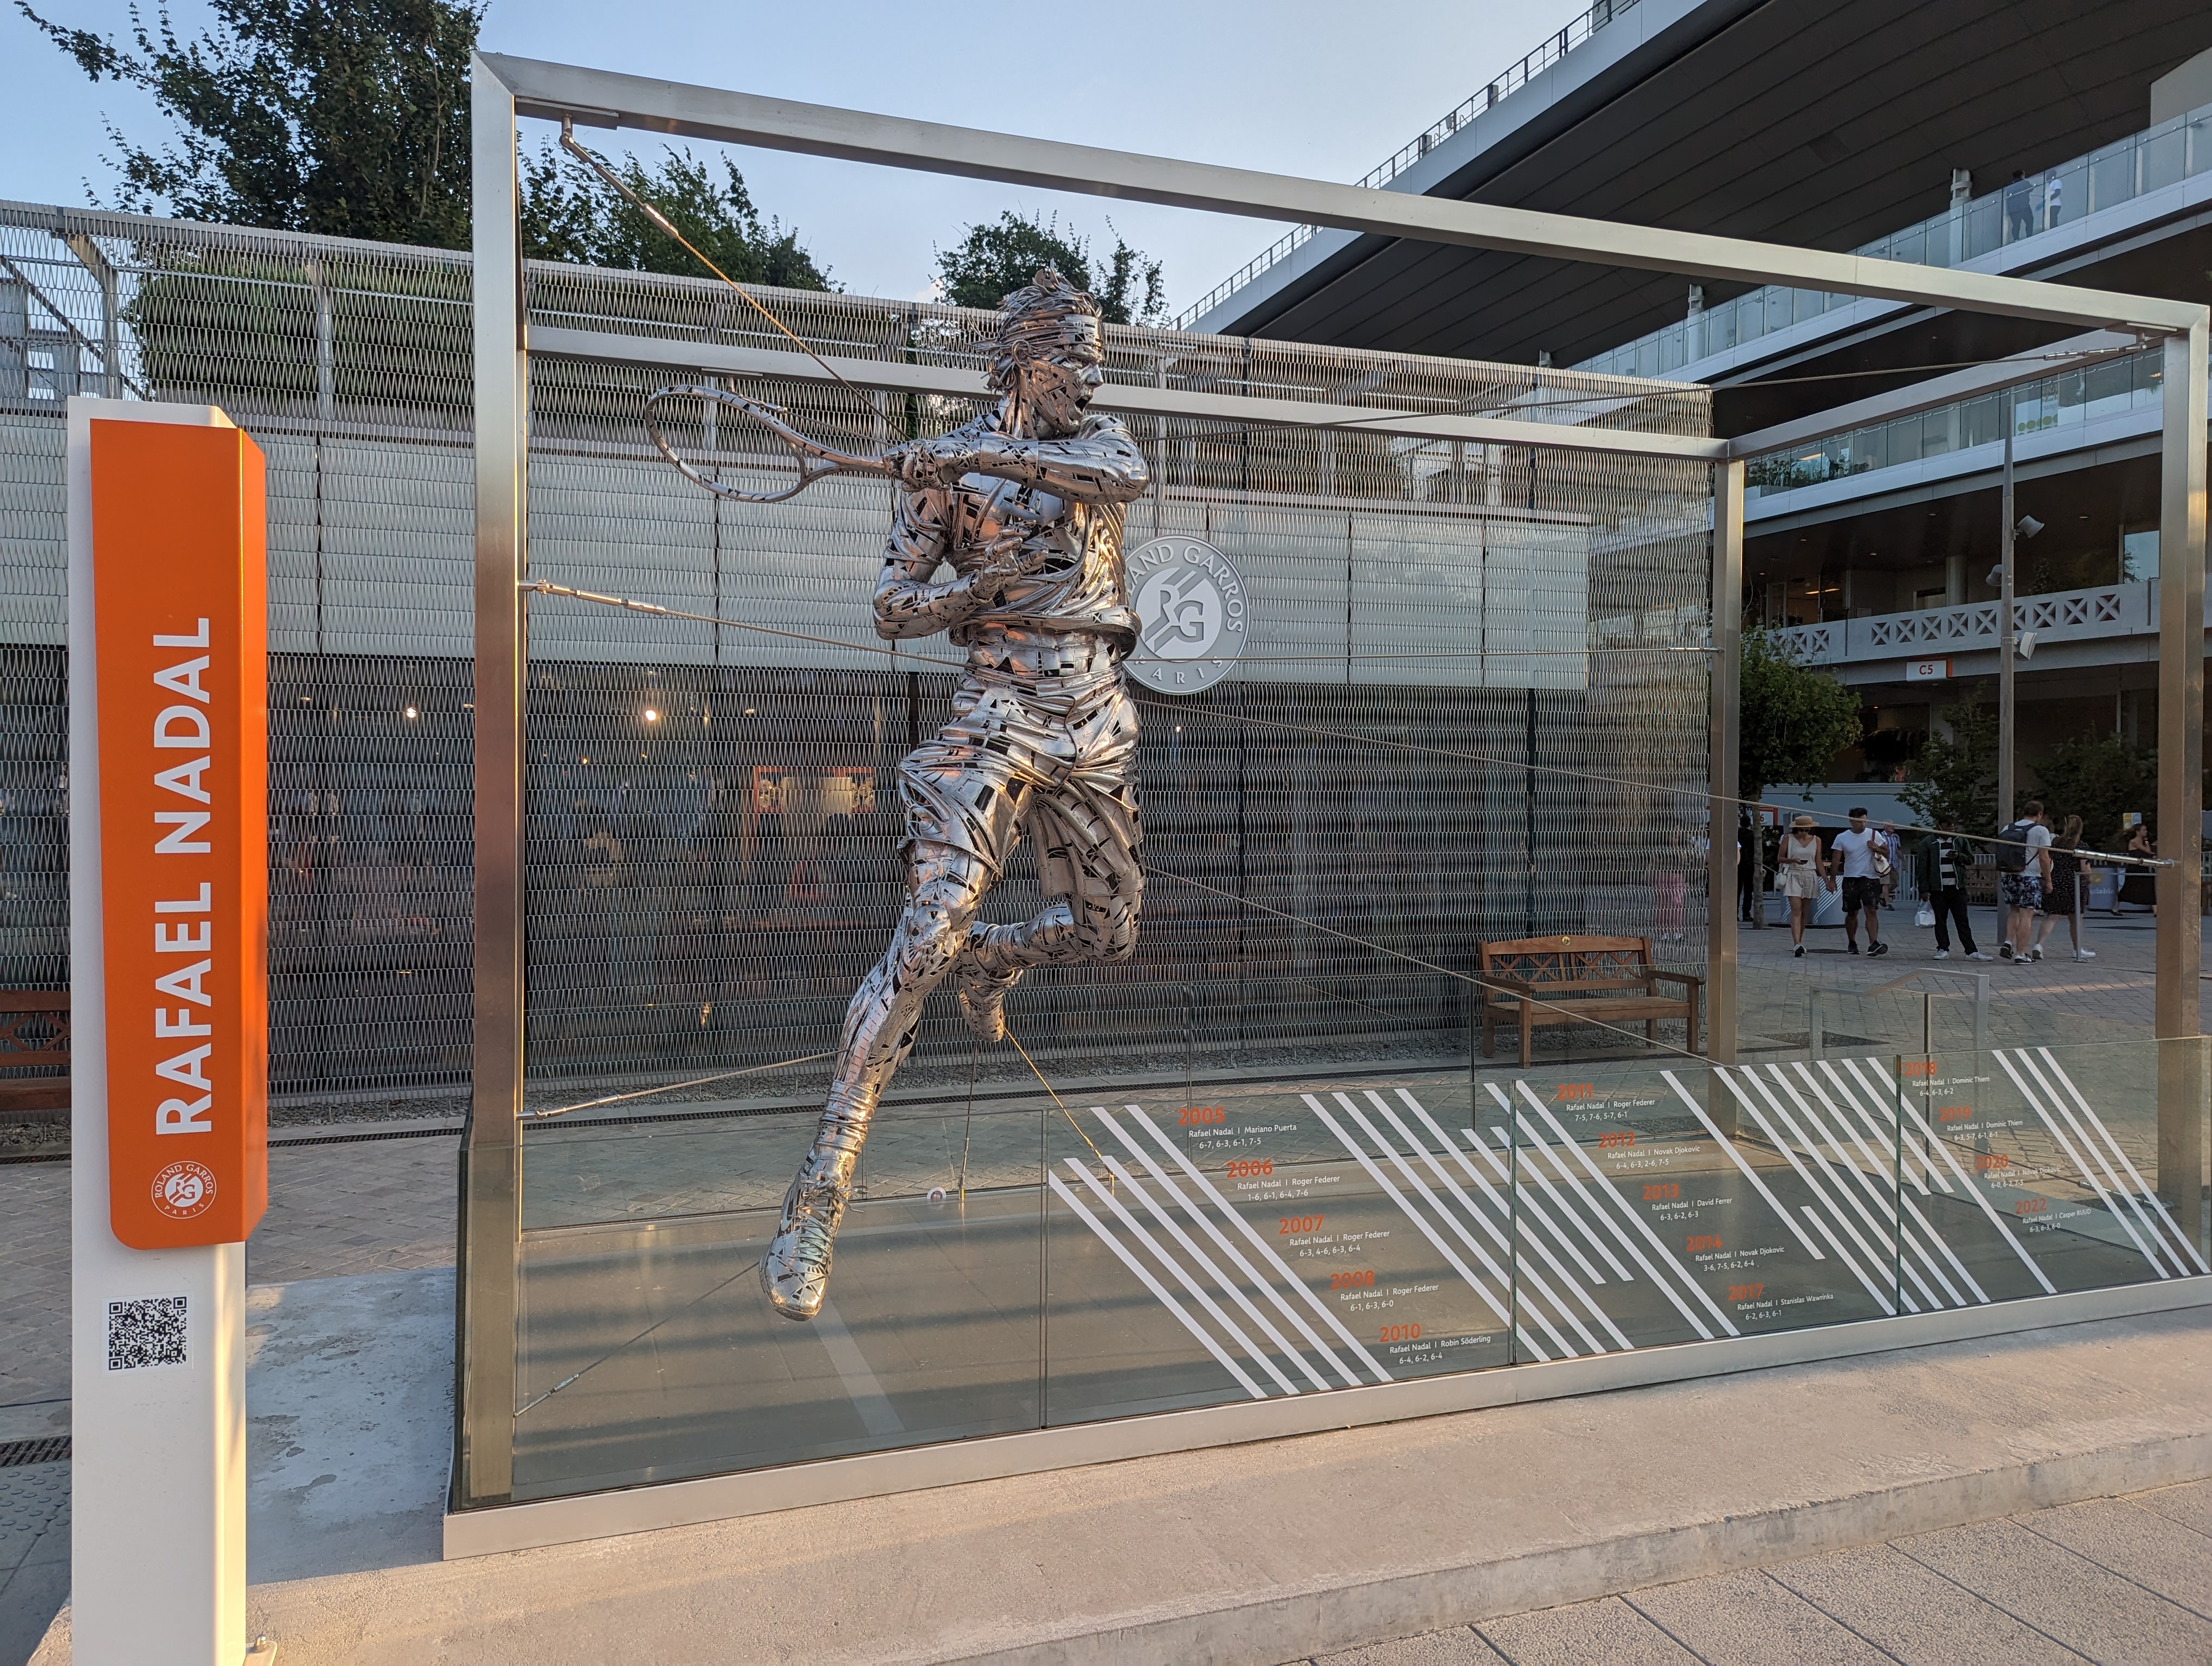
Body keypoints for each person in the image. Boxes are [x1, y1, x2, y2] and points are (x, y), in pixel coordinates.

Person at [760, 268, 1152, 1321]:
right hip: (995, 706)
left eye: (1097, 361)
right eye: (1074, 362)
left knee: (1107, 934)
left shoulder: (1095, 445)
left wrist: (974, 454)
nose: (1092, 379)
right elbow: (893, 608)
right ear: (1023, 360)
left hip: (1096, 714)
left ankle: (1000, 957)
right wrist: (974, 590)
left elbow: (1123, 477)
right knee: (927, 935)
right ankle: (819, 1192)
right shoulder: (943, 480)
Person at [1912, 815, 1990, 960]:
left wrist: (1958, 856)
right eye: (1947, 830)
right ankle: (1942, 949)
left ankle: (1971, 951)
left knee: (1962, 920)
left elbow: (1970, 859)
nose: (1950, 832)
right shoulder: (1928, 843)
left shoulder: (1960, 840)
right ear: (1939, 827)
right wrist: (1923, 889)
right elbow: (1922, 868)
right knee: (1940, 921)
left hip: (1958, 888)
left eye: (1953, 829)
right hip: (1938, 889)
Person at [1995, 800, 2053, 961]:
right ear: (2039, 814)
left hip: (2009, 876)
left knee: (2014, 911)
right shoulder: (2041, 830)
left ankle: (2008, 942)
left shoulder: (2008, 828)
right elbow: (2044, 858)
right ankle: (2020, 954)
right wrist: (2048, 880)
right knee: (2027, 915)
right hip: (2029, 877)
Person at [2035, 815, 2096, 960]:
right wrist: (2091, 880)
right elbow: (2084, 869)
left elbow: (2047, 861)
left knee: (2052, 916)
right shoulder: (2081, 846)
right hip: (2075, 883)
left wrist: (2047, 878)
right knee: (2076, 919)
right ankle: (2077, 949)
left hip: (2057, 880)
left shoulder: (2056, 843)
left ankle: (2039, 945)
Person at [1829, 806, 1887, 956]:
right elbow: (1836, 860)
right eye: (1860, 821)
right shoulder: (1842, 837)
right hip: (1851, 878)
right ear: (1852, 821)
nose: (1863, 824)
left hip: (1871, 878)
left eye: (1865, 821)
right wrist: (1832, 880)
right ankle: (1852, 942)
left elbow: (1887, 852)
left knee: (1871, 910)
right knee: (1852, 912)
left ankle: (1873, 943)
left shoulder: (1874, 835)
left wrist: (1877, 848)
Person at [1778, 813, 1824, 957]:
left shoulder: (1817, 840)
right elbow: (1780, 858)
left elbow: (1819, 861)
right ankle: (1796, 943)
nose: (1804, 832)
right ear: (1796, 829)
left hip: (1810, 874)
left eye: (1807, 830)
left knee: (1805, 911)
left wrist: (1827, 880)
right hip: (1794, 874)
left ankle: (1800, 941)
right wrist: (1793, 860)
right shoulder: (1788, 838)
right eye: (1801, 830)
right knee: (1796, 909)